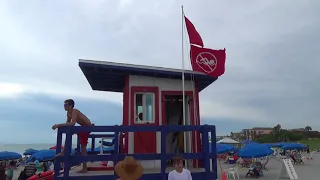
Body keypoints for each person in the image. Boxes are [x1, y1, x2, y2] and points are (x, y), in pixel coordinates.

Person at [52, 99, 94, 173]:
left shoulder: (74, 111)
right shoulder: (68, 113)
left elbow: (73, 123)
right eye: (64, 105)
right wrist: (61, 127)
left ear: (70, 105)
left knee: (83, 148)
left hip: (87, 127)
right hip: (82, 128)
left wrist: (58, 125)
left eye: (66, 105)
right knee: (69, 133)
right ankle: (64, 152)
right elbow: (68, 123)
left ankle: (84, 168)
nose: (64, 107)